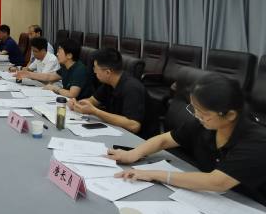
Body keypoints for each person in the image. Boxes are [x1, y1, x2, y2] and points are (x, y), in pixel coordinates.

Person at [109, 74, 266, 205]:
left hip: (251, 207)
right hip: (213, 198)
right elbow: (164, 140)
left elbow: (217, 182)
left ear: (230, 115)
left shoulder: (257, 141)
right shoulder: (205, 124)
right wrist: (133, 154)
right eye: (194, 109)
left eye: (203, 113)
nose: (197, 116)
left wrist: (154, 174)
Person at [68, 48, 145, 134]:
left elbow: (134, 126)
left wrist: (95, 112)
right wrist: (77, 104)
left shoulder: (132, 88)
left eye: (95, 68)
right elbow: (92, 101)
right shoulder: (108, 83)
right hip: (115, 129)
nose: (94, 71)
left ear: (107, 72)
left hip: (135, 138)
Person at [17, 38, 90, 99]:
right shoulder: (65, 67)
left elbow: (72, 94)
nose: (57, 54)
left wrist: (55, 88)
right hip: (68, 102)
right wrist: (28, 74)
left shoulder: (79, 70)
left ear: (69, 55)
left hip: (80, 106)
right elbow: (49, 76)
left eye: (59, 51)